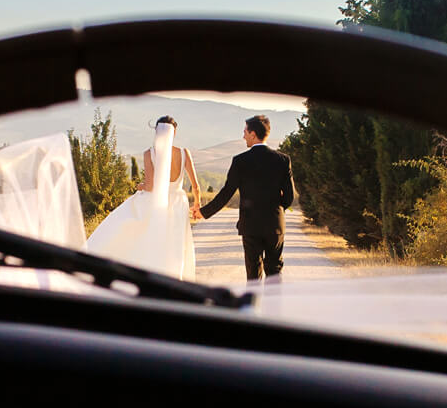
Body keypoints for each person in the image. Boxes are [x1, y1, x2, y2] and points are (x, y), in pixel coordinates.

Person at [83, 116, 199, 280]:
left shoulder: (149, 153)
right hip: (179, 203)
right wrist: (197, 204)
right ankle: (176, 277)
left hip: (157, 202)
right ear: (174, 132)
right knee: (176, 242)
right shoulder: (184, 153)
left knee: (145, 235)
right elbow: (196, 186)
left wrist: (139, 186)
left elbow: (150, 186)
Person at [193, 115, 294, 283]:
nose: (243, 136)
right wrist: (276, 209)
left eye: (245, 132)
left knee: (253, 274)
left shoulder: (240, 161)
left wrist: (204, 212)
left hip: (250, 225)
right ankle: (273, 307)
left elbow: (226, 193)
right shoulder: (283, 160)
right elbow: (289, 197)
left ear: (253, 134)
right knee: (275, 272)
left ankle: (252, 307)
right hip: (274, 224)